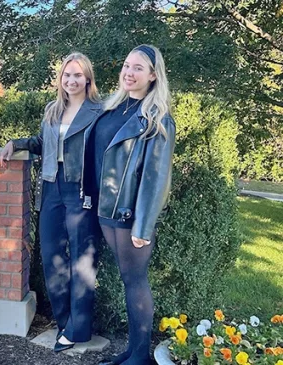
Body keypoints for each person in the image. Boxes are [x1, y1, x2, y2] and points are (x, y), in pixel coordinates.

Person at [0, 52, 103, 352]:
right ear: (61, 79)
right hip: (51, 188)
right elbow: (44, 143)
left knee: (82, 261)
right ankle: (64, 323)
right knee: (52, 258)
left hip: (81, 190)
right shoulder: (52, 110)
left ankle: (78, 329)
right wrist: (15, 144)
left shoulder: (98, 111)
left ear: (87, 78)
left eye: (77, 75)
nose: (71, 80)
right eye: (66, 75)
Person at [86, 45, 176, 365]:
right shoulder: (112, 109)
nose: (129, 72)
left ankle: (140, 357)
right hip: (105, 212)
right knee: (127, 280)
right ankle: (132, 351)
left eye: (139, 67)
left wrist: (143, 225)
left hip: (128, 216)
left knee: (135, 280)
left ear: (153, 76)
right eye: (126, 65)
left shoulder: (156, 119)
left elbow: (155, 177)